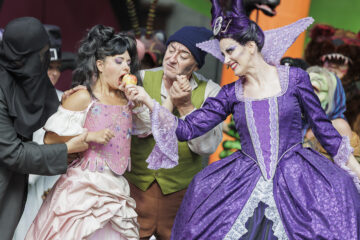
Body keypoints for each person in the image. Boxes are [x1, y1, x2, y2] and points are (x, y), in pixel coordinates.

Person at [126, 0, 360, 238]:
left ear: (250, 46)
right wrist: (148, 101)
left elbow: (322, 128)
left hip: (296, 178)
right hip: (244, 179)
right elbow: (187, 129)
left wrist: (355, 169)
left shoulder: (295, 79)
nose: (226, 60)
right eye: (223, 53)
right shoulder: (230, 93)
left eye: (230, 51)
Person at [25, 24, 176, 240]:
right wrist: (89, 137)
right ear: (100, 65)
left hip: (115, 187)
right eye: (118, 61)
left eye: (127, 62)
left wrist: (145, 101)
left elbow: (155, 130)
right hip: (82, 188)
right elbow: (50, 139)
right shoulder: (84, 97)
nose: (126, 67)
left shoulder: (129, 102)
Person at [124, 25, 222, 239]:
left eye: (184, 54)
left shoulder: (211, 92)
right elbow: (136, 129)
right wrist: (166, 102)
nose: (172, 58)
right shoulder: (139, 78)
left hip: (180, 196)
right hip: (134, 190)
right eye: (171, 49)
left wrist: (186, 106)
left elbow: (206, 147)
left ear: (196, 64)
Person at [0, 17, 88, 240]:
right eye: (42, 56)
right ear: (25, 56)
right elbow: (13, 153)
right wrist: (66, 149)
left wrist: (66, 106)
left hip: (12, 186)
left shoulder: (22, 74)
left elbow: (43, 103)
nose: (44, 61)